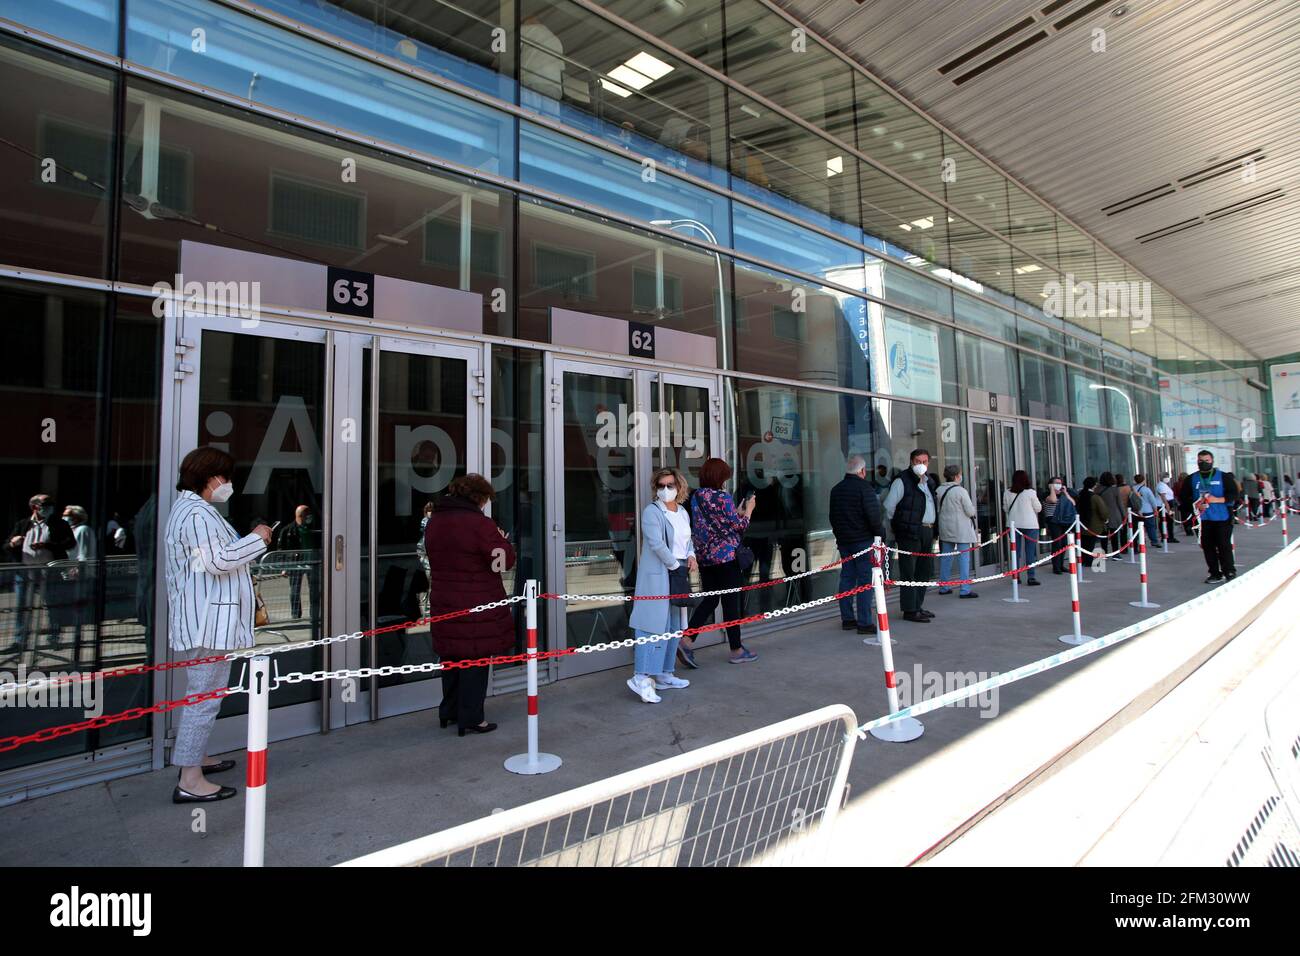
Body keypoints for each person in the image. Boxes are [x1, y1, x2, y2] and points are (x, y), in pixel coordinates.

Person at [165, 447, 273, 802]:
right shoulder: (196, 514)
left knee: (204, 694)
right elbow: (218, 560)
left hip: (205, 620)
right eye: (226, 478)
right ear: (212, 479)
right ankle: (190, 779)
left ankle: (195, 759)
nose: (228, 484)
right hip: (207, 623)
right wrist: (258, 537)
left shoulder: (191, 511)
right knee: (204, 697)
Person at [424, 474, 516, 736]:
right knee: (475, 660)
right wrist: (502, 540)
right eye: (486, 499)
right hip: (476, 601)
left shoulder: (435, 522)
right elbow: (502, 562)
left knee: (451, 657)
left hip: (444, 599)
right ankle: (473, 718)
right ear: (478, 498)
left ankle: (449, 712)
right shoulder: (480, 524)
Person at [626, 468, 696, 702]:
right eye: (661, 485)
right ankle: (641, 676)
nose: (666, 490)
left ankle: (665, 674)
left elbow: (687, 540)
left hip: (678, 571)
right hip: (660, 574)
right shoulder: (652, 512)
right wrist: (675, 566)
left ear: (679, 486)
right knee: (652, 624)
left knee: (674, 624)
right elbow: (656, 543)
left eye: (670, 485)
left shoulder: (683, 512)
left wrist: (691, 556)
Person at [685, 457, 757, 663]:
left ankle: (687, 640)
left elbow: (716, 522)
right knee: (731, 603)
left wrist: (737, 513)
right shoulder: (722, 497)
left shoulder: (697, 496)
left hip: (706, 558)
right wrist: (749, 510)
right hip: (726, 559)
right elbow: (739, 527)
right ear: (720, 478)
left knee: (710, 599)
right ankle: (736, 650)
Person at [6, 493, 77, 656]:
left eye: (51, 504)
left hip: (49, 570)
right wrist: (13, 543)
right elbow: (6, 545)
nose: (49, 507)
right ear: (34, 507)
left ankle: (54, 637)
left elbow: (70, 543)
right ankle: (20, 640)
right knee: (22, 607)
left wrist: (48, 545)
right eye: (45, 504)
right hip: (25, 572)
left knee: (52, 604)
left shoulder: (58, 524)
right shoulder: (23, 524)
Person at [828, 454, 886, 633]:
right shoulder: (865, 488)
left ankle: (847, 619)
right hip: (863, 541)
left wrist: (840, 535)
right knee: (865, 581)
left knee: (846, 578)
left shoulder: (836, 489)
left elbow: (833, 517)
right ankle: (864, 622)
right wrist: (881, 535)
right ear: (862, 470)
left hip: (844, 541)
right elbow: (874, 517)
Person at [882, 449, 939, 622]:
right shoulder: (902, 480)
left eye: (924, 461)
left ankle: (918, 606)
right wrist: (899, 525)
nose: (921, 465)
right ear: (911, 462)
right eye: (917, 461)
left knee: (924, 570)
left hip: (928, 530)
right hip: (909, 531)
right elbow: (889, 506)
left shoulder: (929, 482)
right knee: (909, 571)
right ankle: (910, 609)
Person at [1177, 449, 1239, 584]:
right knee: (1207, 547)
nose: (1203, 463)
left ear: (1212, 461)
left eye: (1207, 461)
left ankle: (1229, 571)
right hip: (1202, 519)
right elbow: (1182, 497)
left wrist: (1217, 500)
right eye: (1201, 461)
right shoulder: (1191, 479)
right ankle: (1215, 573)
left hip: (1222, 518)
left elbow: (1234, 494)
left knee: (1224, 545)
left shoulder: (1223, 477)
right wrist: (1195, 505)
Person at [935, 464, 979, 598]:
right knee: (964, 559)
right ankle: (965, 589)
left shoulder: (939, 490)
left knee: (946, 558)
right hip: (961, 529)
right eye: (960, 474)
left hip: (946, 528)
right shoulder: (960, 491)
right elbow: (970, 511)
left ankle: (944, 586)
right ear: (956, 476)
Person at [274, 504, 320, 621]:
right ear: (300, 516)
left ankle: (314, 614)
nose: (309, 517)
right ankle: (295, 615)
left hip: (312, 562)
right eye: (307, 515)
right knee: (295, 590)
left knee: (314, 589)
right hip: (295, 563)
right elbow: (281, 550)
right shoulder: (287, 530)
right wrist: (284, 567)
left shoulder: (313, 529)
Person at [1003, 470, 1043, 585]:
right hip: (1030, 525)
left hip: (1013, 525)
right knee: (1030, 552)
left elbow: (1005, 508)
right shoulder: (1030, 492)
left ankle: (1016, 576)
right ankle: (1031, 577)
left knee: (1016, 552)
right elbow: (1038, 508)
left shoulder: (1007, 492)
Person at [1044, 477, 1078, 574]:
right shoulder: (1047, 494)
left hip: (1063, 521)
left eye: (1060, 483)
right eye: (1056, 483)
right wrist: (1051, 489)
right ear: (1051, 484)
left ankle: (1061, 565)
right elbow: (1053, 500)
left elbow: (1073, 503)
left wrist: (1065, 492)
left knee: (1063, 543)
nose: (1059, 485)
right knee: (1057, 544)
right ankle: (1056, 567)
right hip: (1053, 521)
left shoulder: (1063, 495)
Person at [1077, 476, 1109, 567]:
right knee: (1090, 544)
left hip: (1081, 524)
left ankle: (1083, 560)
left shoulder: (1080, 495)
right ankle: (1088, 561)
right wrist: (1105, 519)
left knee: (1083, 544)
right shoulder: (1095, 497)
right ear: (1094, 486)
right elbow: (1103, 512)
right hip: (1093, 525)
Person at [1130, 474, 1161, 547]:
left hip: (1136, 511)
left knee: (1136, 528)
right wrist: (1155, 510)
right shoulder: (1146, 489)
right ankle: (1154, 541)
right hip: (1147, 511)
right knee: (1150, 527)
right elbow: (1152, 501)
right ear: (1144, 480)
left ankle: (1136, 542)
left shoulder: (1132, 489)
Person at [1155, 474, 1179, 543]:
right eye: (1166, 477)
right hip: (1163, 505)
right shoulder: (1161, 486)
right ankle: (1166, 537)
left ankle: (1170, 536)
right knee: (1165, 521)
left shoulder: (1164, 485)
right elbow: (1163, 497)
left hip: (1167, 505)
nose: (1167, 478)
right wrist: (1168, 507)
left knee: (1169, 522)